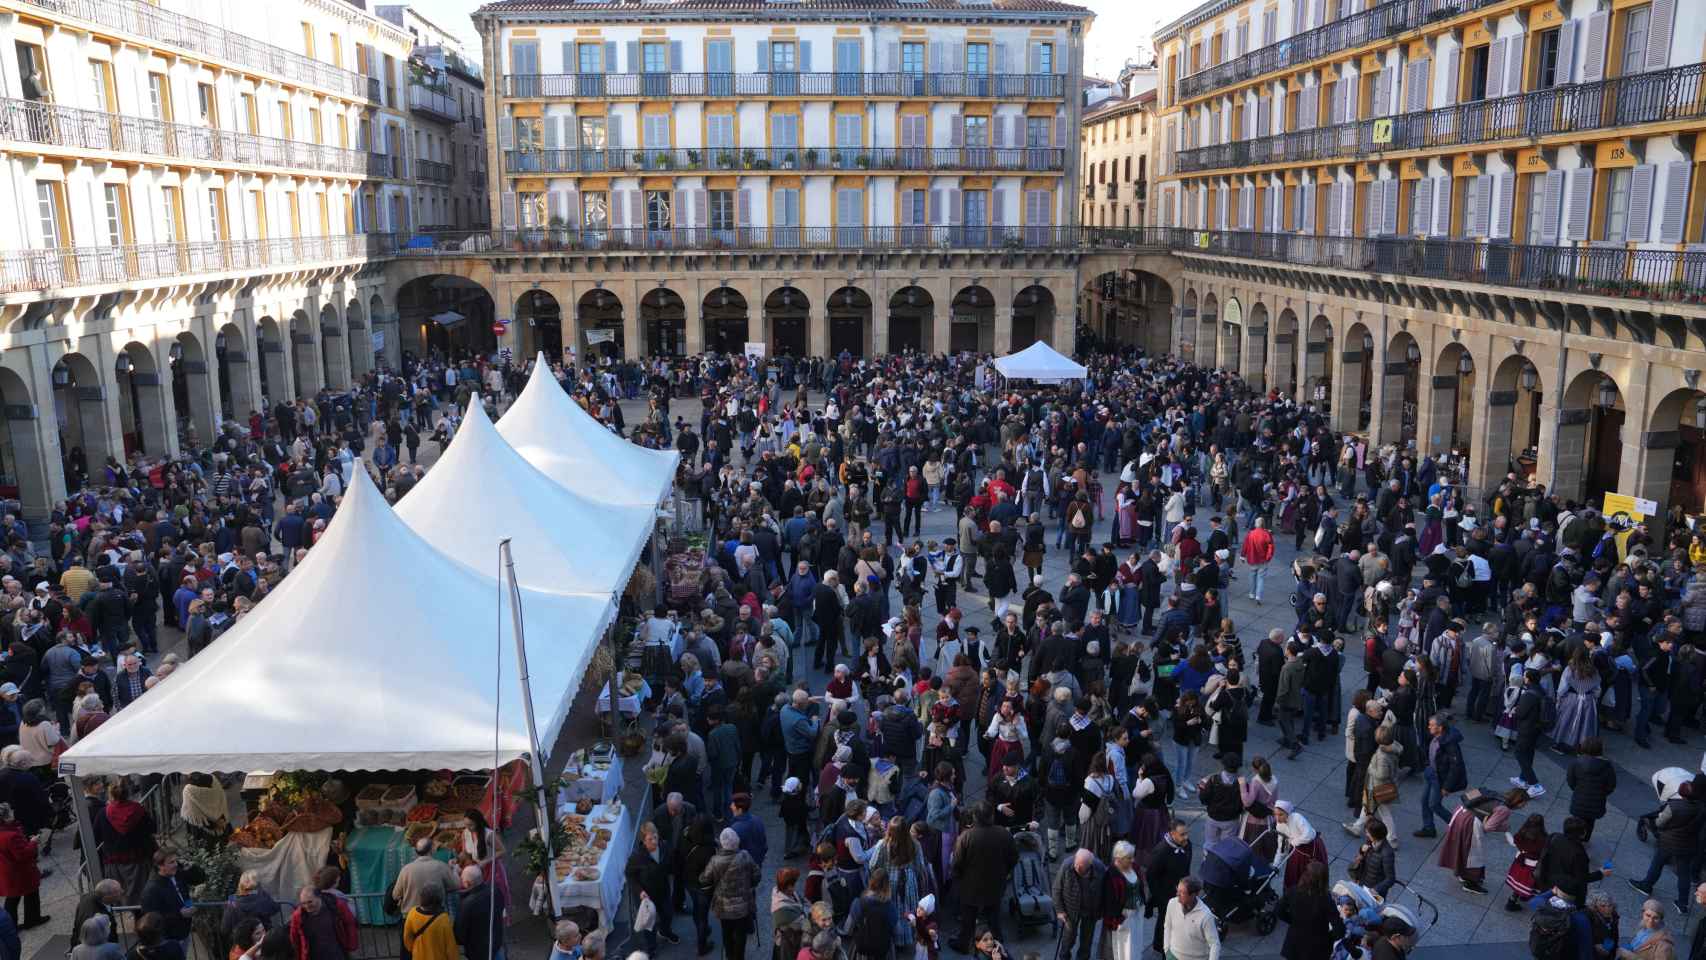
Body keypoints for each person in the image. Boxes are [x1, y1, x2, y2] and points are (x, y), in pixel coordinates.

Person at [949, 801, 1016, 953]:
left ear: (975, 817)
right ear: (991, 816)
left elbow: (957, 863)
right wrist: (1004, 873)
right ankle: (997, 947)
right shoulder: (1003, 834)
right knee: (993, 917)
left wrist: (959, 879)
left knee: (969, 920)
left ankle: (965, 944)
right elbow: (1013, 857)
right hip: (995, 884)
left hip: (971, 886)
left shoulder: (966, 837)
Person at [700, 827, 760, 960]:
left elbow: (704, 879)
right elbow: (757, 875)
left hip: (723, 907)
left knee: (726, 933)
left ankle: (729, 956)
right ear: (736, 842)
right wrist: (749, 885)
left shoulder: (715, 861)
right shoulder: (745, 856)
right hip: (743, 906)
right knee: (740, 935)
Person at [1414, 713, 1466, 839]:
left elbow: (1456, 767)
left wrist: (1447, 787)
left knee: (1434, 805)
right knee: (1425, 801)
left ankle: (1458, 827)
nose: (1429, 727)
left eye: (1432, 725)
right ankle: (1429, 828)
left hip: (1439, 778)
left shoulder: (1449, 744)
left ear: (1440, 728)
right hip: (1431, 773)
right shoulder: (1436, 736)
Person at [1277, 862, 1342, 960]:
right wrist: (1328, 938)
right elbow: (1339, 930)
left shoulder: (1293, 891)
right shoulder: (1326, 900)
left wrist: (1293, 921)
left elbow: (1278, 910)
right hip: (1317, 949)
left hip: (1295, 944)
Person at [1147, 820, 1193, 956]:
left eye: (1187, 833)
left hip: (1180, 892)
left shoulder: (1186, 844)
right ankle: (1161, 948)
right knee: (1164, 922)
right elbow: (1151, 876)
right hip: (1165, 895)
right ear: (1172, 834)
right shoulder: (1160, 852)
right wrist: (1159, 897)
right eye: (1182, 834)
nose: (1186, 837)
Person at [1051, 849, 1107, 960]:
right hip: (1070, 910)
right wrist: (1060, 911)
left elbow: (1106, 891)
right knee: (1068, 939)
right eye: (1076, 864)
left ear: (1089, 865)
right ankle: (1064, 957)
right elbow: (1056, 888)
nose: (1077, 868)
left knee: (1086, 941)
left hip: (1090, 911)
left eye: (1081, 867)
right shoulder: (1067, 865)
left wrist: (1100, 912)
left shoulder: (1100, 868)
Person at [0, 803, 43, 931]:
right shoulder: (10, 835)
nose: (13, 811)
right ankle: (32, 919)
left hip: (7, 872)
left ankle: (11, 926)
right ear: (5, 817)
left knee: (13, 899)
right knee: (30, 893)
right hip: (20, 872)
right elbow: (23, 854)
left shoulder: (7, 832)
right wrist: (33, 843)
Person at [1566, 738, 1618, 842]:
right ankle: (1585, 839)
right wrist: (1601, 793)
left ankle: (1572, 840)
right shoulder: (1607, 767)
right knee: (1590, 822)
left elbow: (1570, 781)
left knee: (1576, 821)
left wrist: (1578, 789)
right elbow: (1611, 786)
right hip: (1596, 803)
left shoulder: (1576, 763)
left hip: (1579, 800)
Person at [390, 839, 459, 918]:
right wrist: (454, 869)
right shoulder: (441, 866)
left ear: (416, 852)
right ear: (432, 850)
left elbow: (395, 895)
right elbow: (455, 885)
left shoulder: (405, 870)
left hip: (411, 917)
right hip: (435, 916)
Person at [287, 883, 357, 960]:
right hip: (313, 955)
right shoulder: (298, 916)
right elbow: (294, 938)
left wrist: (351, 945)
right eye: (303, 903)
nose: (306, 906)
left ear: (319, 897)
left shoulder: (336, 906)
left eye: (310, 902)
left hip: (336, 953)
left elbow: (349, 923)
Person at [843, 869, 900, 960]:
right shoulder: (890, 907)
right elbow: (897, 932)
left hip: (862, 946)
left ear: (870, 881)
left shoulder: (858, 903)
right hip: (883, 949)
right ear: (887, 885)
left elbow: (848, 929)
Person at [1105, 840, 1146, 960]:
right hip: (1124, 917)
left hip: (1137, 913)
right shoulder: (1112, 875)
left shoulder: (1135, 868)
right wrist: (1117, 919)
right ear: (1119, 858)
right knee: (1124, 948)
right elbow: (1109, 901)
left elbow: (1141, 886)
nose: (1132, 860)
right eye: (1129, 858)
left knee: (1136, 943)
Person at [455, 864, 505, 960]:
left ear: (467, 883)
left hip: (478, 953)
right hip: (496, 945)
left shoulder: (466, 905)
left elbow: (459, 936)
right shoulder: (495, 890)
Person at [1163, 877, 1221, 960]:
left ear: (1193, 895)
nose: (1177, 894)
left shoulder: (1206, 916)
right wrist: (1167, 950)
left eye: (1182, 892)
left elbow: (1215, 944)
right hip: (1173, 956)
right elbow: (1168, 926)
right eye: (1177, 890)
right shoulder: (1172, 903)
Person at [222, 872, 282, 944]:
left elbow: (225, 928)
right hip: (264, 940)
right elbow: (275, 908)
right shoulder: (261, 895)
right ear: (256, 883)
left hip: (242, 944)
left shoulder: (232, 900)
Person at [400, 887, 457, 960]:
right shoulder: (444, 919)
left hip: (418, 955)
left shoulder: (412, 913)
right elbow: (450, 946)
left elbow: (407, 938)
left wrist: (414, 948)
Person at [1347, 821, 1397, 897]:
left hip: (1373, 892)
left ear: (1375, 835)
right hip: (1362, 884)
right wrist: (1361, 851)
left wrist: (1376, 889)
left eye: (1368, 833)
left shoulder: (1387, 853)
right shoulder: (1370, 842)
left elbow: (1390, 878)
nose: (1366, 834)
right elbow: (1362, 858)